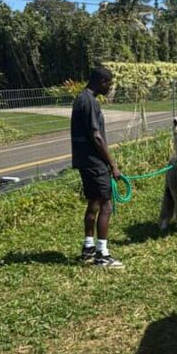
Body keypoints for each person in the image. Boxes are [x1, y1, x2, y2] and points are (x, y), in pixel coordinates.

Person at [71, 66, 123, 268]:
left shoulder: (80, 99)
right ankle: (102, 254)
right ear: (102, 82)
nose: (109, 88)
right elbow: (96, 136)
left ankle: (88, 248)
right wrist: (112, 164)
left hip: (85, 161)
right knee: (106, 205)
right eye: (109, 84)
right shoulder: (90, 102)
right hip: (94, 162)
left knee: (94, 202)